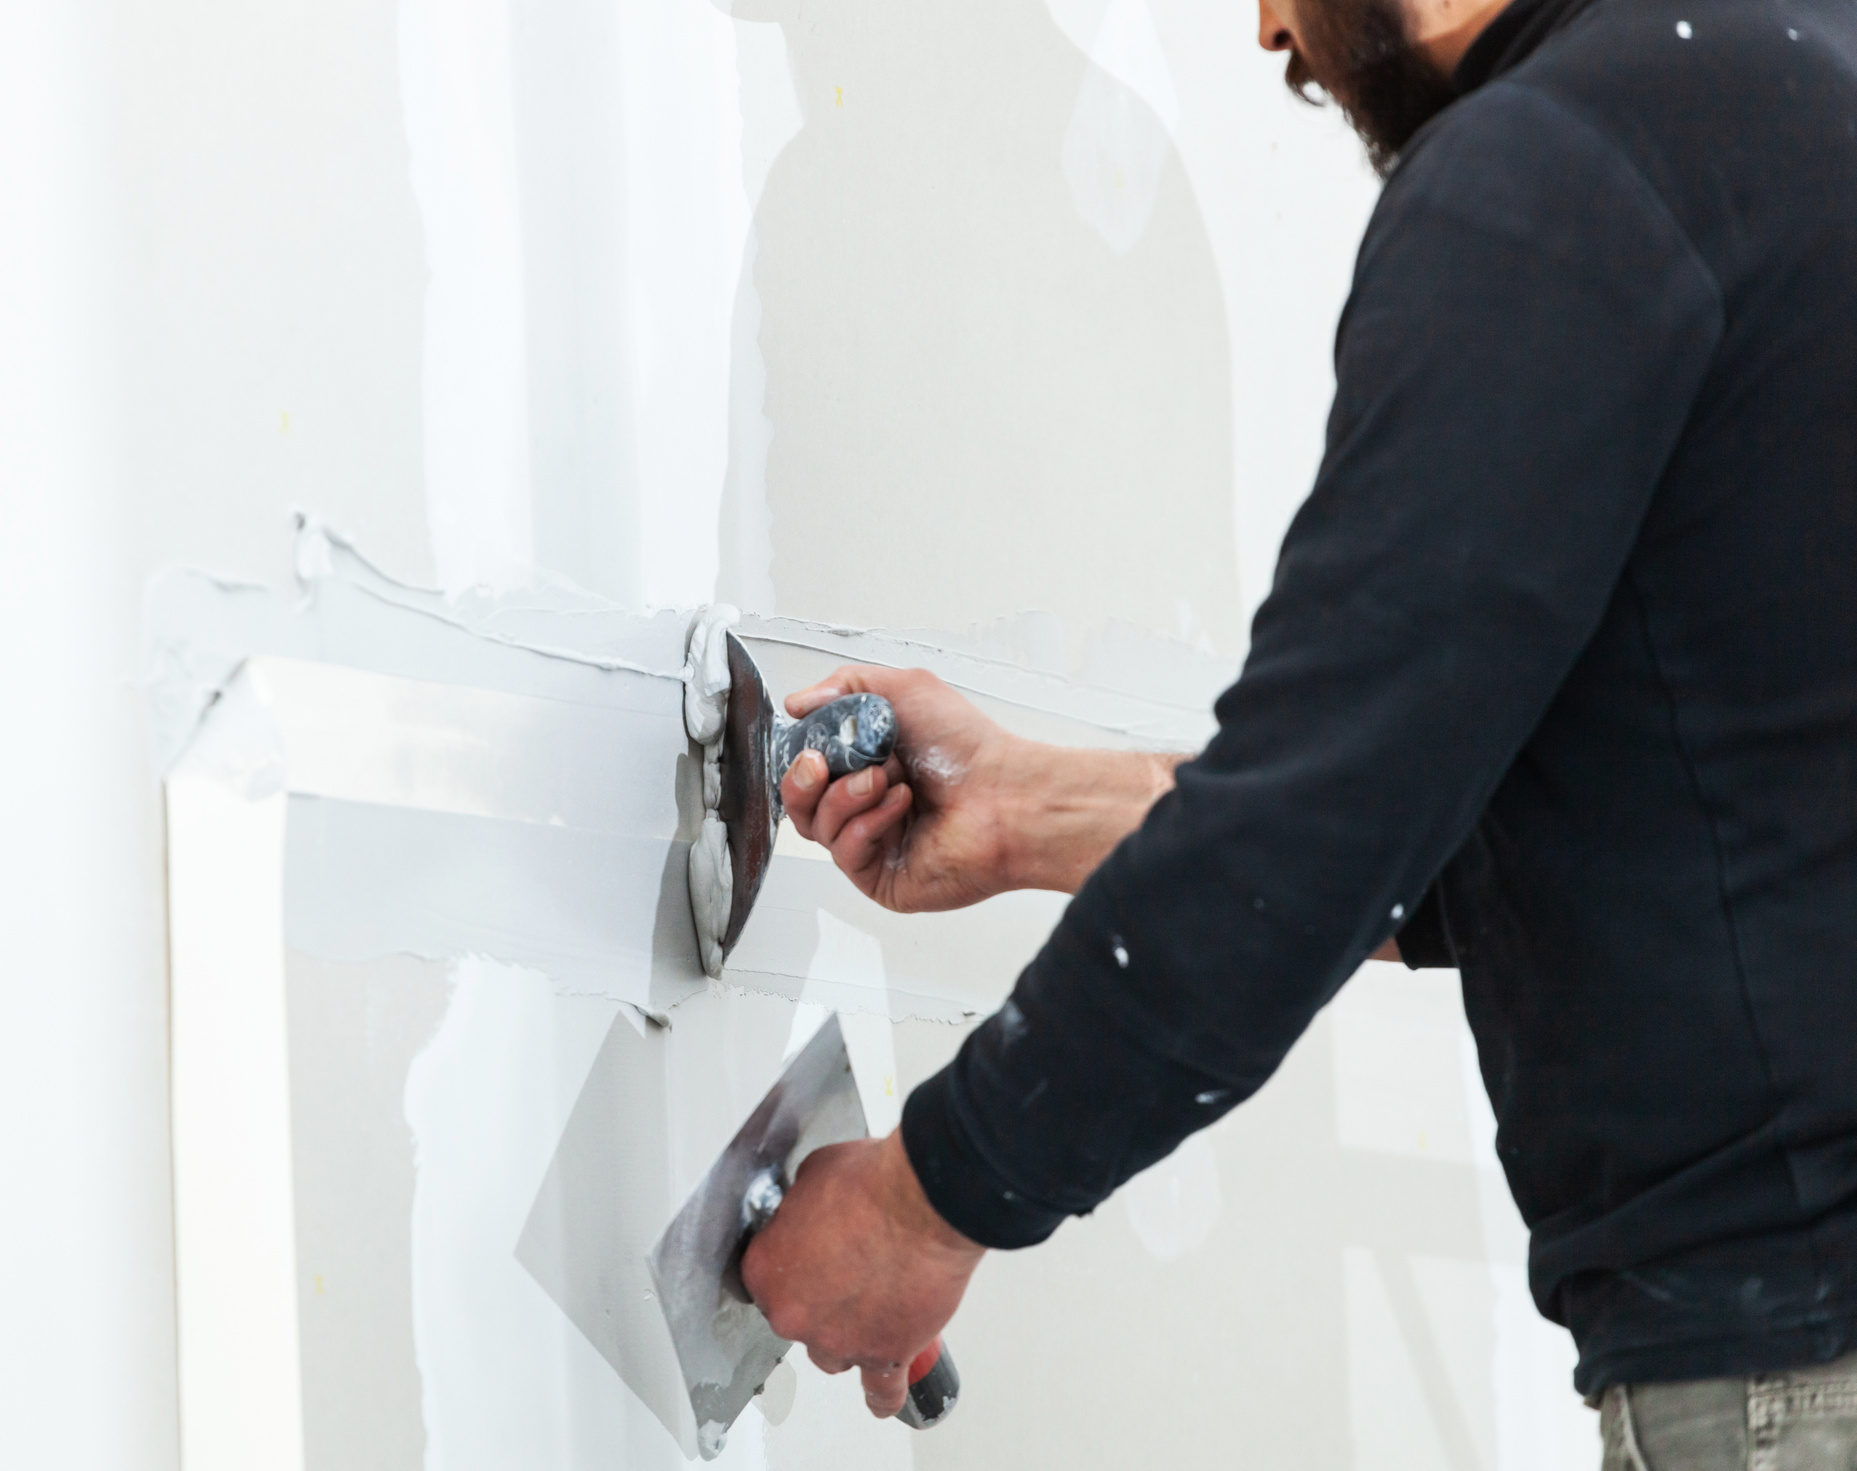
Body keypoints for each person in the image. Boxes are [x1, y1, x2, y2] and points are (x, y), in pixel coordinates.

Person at [739, 0, 1857, 1463]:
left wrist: (921, 1202)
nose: (1271, 30)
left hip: (1796, 1361)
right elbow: (1659, 801)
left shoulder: (1551, 173)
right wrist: (1036, 810)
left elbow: (1318, 826)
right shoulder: (1791, 96)